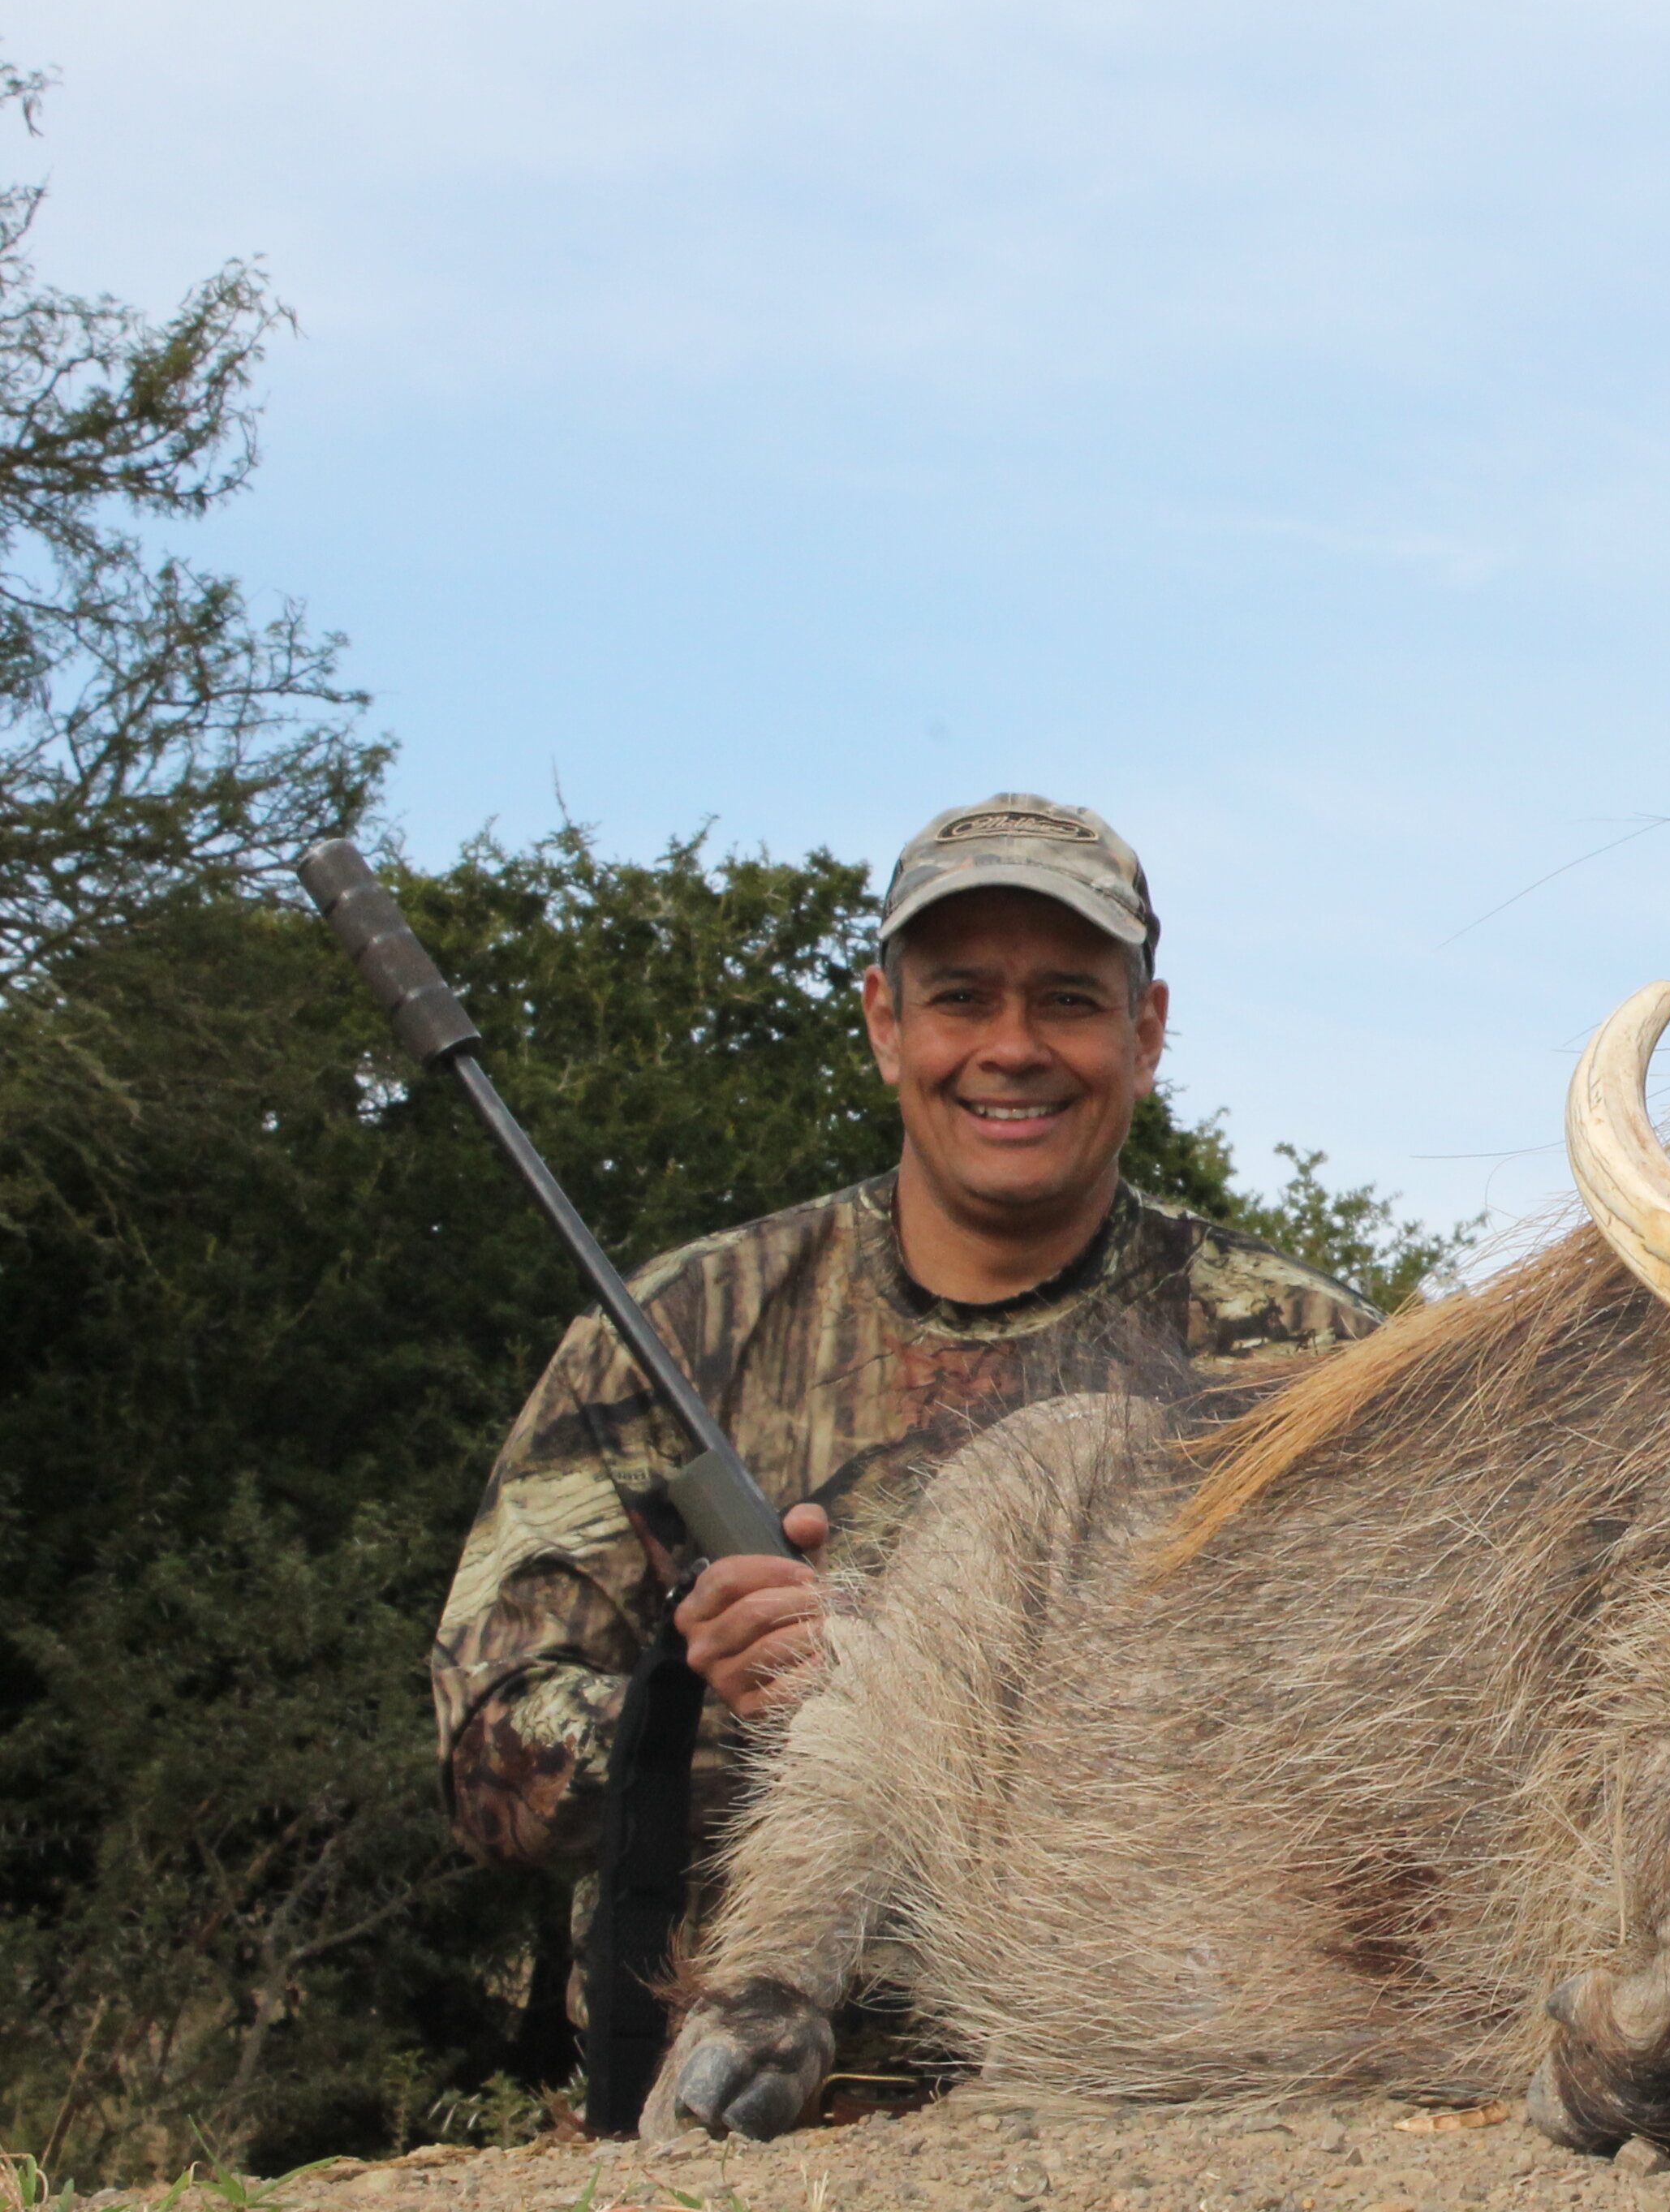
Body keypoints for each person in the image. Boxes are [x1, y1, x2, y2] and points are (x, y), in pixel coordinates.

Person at [426, 794, 1377, 2111]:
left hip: (1175, 2102)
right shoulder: (677, 1330)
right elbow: (490, 1771)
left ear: (1145, 1033)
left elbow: (1394, 1751)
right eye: (960, 998)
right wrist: (708, 1704)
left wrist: (910, 1701)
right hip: (729, 2129)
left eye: (1066, 999)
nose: (1011, 1048)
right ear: (884, 1022)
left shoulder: (1312, 1361)